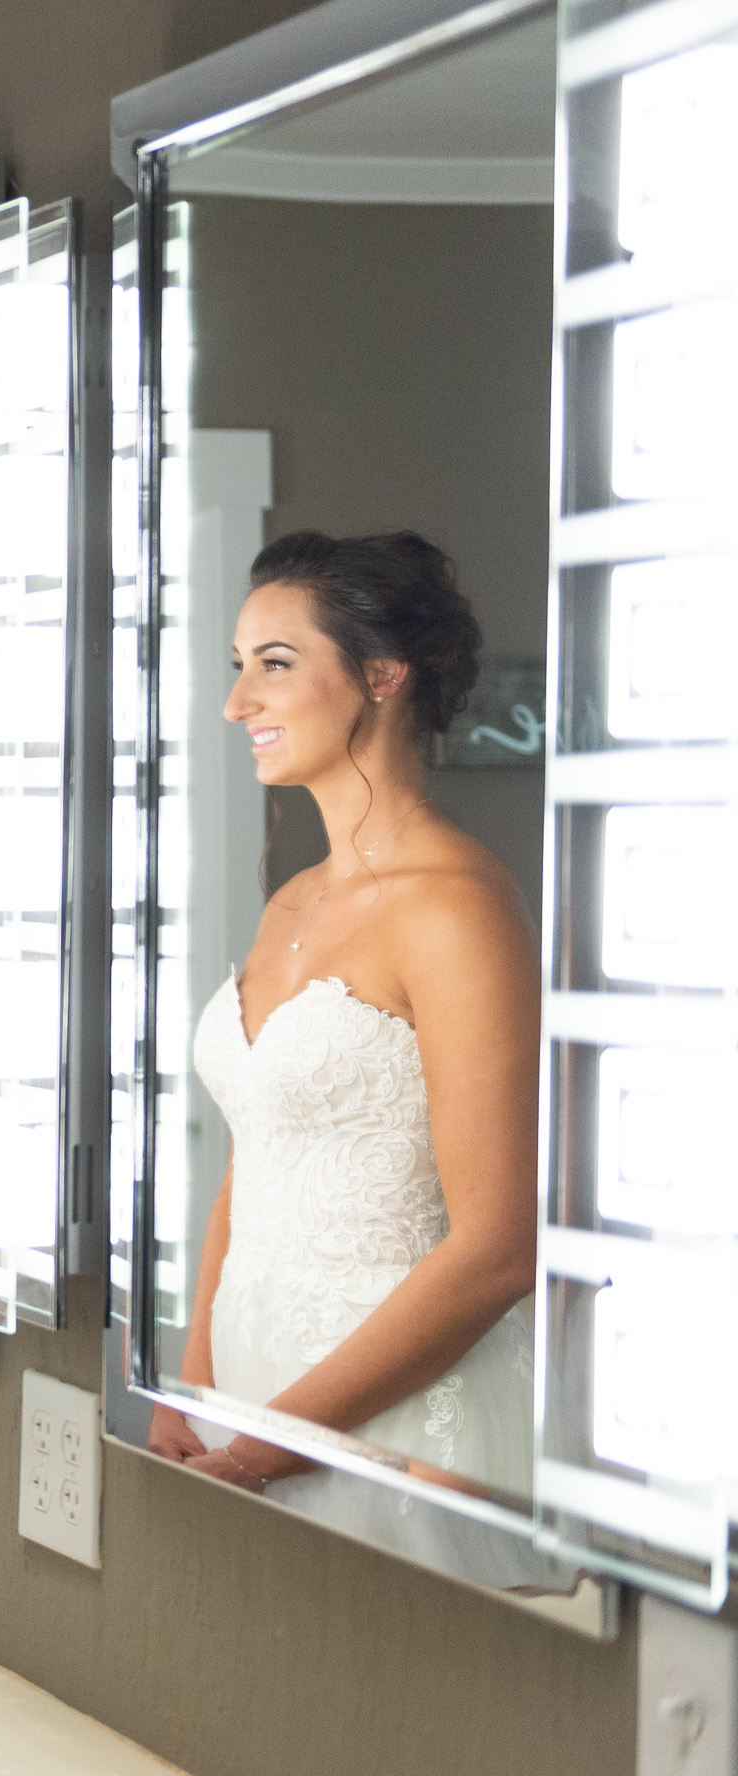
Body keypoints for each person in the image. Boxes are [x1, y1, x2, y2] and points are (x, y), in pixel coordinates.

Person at [147, 529, 553, 1580]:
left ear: (381, 673)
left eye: (274, 665)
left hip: (396, 1420)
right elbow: (255, 1156)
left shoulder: (457, 907)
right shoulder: (294, 899)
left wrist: (272, 1442)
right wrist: (194, 1394)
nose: (239, 704)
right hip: (245, 1403)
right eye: (237, 668)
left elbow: (500, 1247)